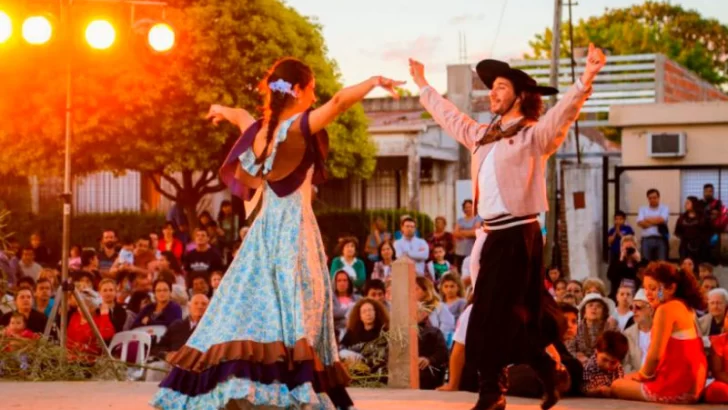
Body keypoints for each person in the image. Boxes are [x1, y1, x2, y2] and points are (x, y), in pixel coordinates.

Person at [151, 57, 402, 410]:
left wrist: (220, 109)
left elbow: (240, 114)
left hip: (263, 232)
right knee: (301, 307)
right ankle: (299, 387)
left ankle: (262, 384)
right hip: (293, 232)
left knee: (256, 306)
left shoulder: (261, 130)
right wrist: (373, 80)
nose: (315, 93)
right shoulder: (296, 128)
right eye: (311, 87)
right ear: (297, 91)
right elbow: (340, 102)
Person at [409, 44, 606, 410]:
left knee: (488, 313)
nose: (492, 92)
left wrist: (585, 79)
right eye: (492, 86)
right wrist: (423, 84)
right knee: (512, 314)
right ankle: (544, 368)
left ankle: (492, 393)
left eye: (500, 86)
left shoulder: (533, 135)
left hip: (520, 235)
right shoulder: (482, 135)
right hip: (493, 236)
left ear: (520, 95)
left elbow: (563, 115)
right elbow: (450, 116)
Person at [611, 261, 708, 404]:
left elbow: (655, 356)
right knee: (626, 379)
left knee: (616, 384)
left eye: (653, 288)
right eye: (645, 288)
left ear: (671, 288)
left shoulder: (665, 309)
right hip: (694, 386)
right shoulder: (686, 307)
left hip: (676, 388)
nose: (648, 294)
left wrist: (641, 376)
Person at [581, 331, 629, 397]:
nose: (608, 365)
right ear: (597, 351)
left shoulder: (618, 368)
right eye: (604, 360)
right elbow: (586, 390)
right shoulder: (590, 367)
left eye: (613, 362)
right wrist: (597, 390)